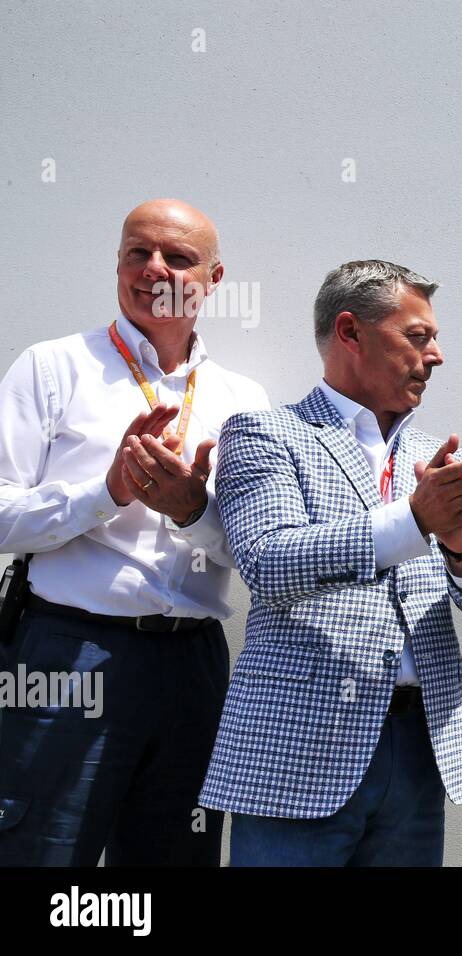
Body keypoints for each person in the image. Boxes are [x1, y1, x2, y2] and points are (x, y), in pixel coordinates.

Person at [199, 259, 462, 866]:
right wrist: (416, 521)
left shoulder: (434, 455)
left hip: (420, 748)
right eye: (418, 336)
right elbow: (267, 562)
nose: (437, 355)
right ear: (350, 332)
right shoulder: (267, 434)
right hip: (297, 753)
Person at [0, 199, 270, 865]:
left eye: (177, 258)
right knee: (43, 852)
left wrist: (189, 510)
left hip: (193, 663)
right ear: (118, 263)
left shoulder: (244, 401)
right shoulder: (52, 367)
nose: (154, 269)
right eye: (137, 253)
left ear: (214, 279)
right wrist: (107, 492)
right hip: (68, 654)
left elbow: (258, 553)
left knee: (177, 857)